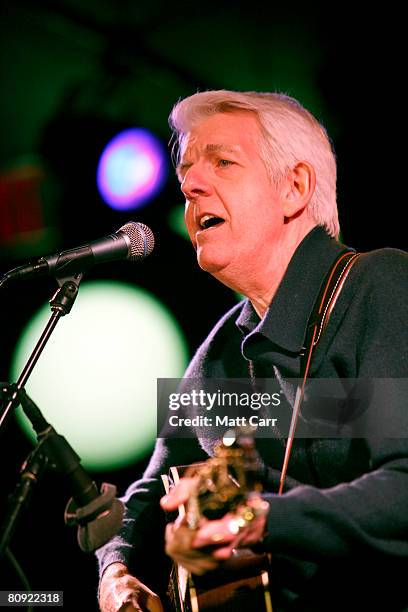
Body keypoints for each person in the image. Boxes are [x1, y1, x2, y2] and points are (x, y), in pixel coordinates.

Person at [96, 90, 408, 611]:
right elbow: (149, 491)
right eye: (187, 175)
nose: (191, 186)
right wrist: (116, 569)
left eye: (222, 162)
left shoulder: (381, 285)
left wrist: (258, 519)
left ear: (295, 187)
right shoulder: (223, 349)